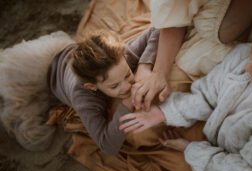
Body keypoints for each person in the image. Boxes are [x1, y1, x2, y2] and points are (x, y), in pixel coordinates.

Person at [119, 9, 252, 171]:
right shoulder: (243, 56)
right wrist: (163, 113)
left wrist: (190, 149)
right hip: (221, 158)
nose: (248, 68)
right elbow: (207, 94)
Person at [0, 28, 159, 153]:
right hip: (36, 73)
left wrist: (144, 67)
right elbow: (107, 146)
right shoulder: (83, 97)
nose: (127, 86)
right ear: (91, 86)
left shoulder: (121, 57)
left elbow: (156, 31)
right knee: (33, 136)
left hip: (64, 51)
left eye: (127, 75)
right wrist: (127, 103)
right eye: (114, 86)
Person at [132, 0, 252, 112]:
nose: (249, 67)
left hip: (229, 101)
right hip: (172, 50)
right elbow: (169, 21)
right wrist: (156, 70)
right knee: (136, 103)